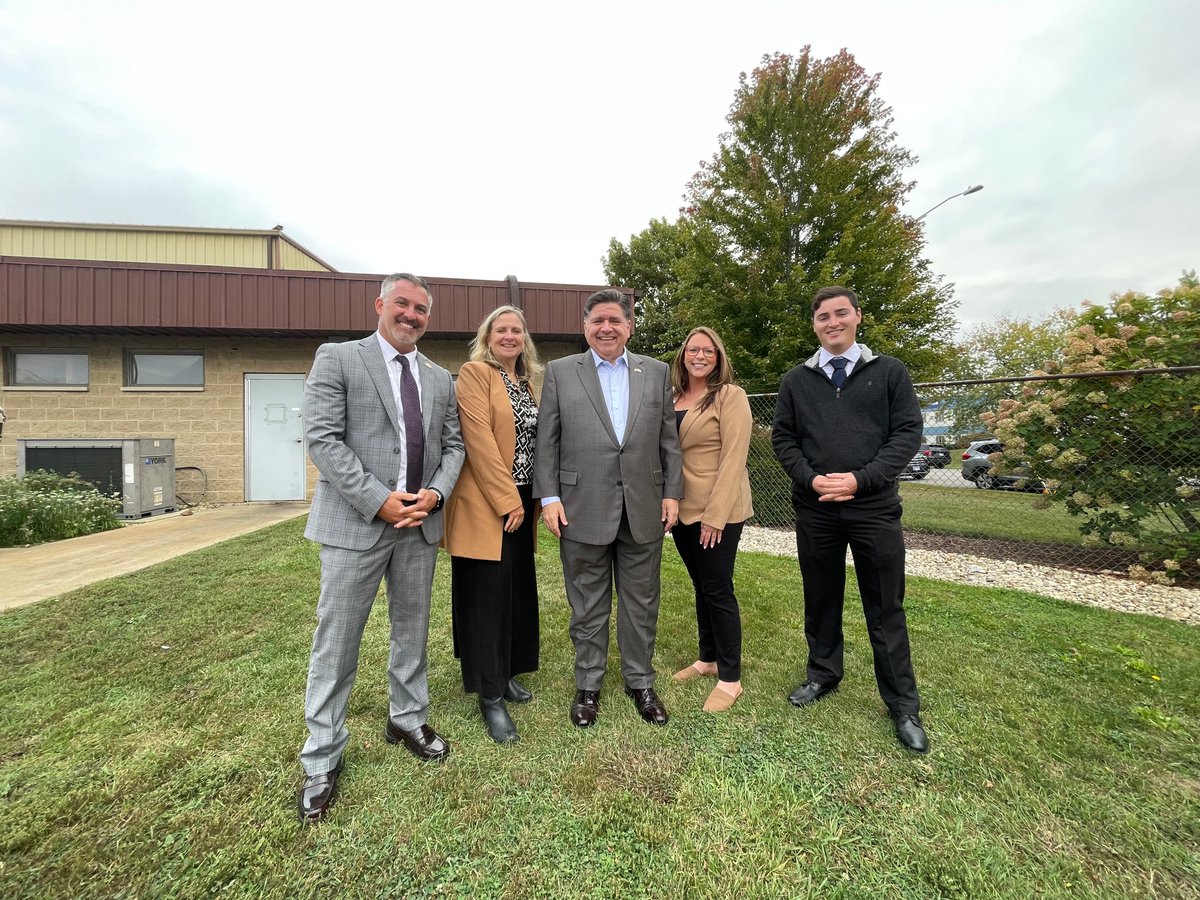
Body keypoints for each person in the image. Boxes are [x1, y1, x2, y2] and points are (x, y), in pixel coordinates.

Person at [297, 272, 465, 823]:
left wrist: (435, 494)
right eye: (402, 303)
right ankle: (322, 756)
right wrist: (378, 499)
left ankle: (407, 717)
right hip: (355, 525)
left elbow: (453, 445)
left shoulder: (440, 378)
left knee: (411, 629)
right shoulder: (339, 359)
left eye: (421, 308)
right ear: (380, 304)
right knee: (338, 639)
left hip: (419, 525)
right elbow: (322, 438)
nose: (411, 314)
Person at [771, 285, 929, 754]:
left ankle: (902, 704)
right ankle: (823, 674)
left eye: (841, 313)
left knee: (885, 607)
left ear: (859, 316)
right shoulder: (796, 380)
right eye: (823, 316)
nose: (832, 322)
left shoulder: (889, 373)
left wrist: (862, 480)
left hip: (873, 509)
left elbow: (906, 433)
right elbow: (784, 439)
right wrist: (811, 479)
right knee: (820, 599)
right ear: (814, 324)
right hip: (816, 510)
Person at [534, 289, 683, 728]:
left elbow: (668, 440)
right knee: (588, 605)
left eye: (615, 320)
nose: (606, 328)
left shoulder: (655, 372)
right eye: (598, 320)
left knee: (641, 604)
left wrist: (671, 493)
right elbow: (548, 440)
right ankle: (589, 685)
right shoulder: (561, 372)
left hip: (644, 508)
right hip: (580, 507)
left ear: (629, 326)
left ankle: (640, 682)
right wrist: (549, 497)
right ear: (585, 327)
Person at [442, 305, 542, 743]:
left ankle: (504, 676)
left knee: (514, 593)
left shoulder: (527, 382)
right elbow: (478, 439)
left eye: (516, 330)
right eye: (500, 329)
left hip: (522, 498)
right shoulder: (474, 374)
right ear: (487, 336)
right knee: (485, 599)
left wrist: (532, 500)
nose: (509, 336)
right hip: (488, 501)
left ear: (524, 338)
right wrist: (507, 500)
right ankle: (489, 697)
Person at [668, 327, 754, 713]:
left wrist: (716, 516)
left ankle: (730, 679)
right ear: (683, 355)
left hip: (717, 510)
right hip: (682, 509)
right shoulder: (673, 397)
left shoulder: (729, 396)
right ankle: (708, 659)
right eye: (693, 349)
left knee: (718, 589)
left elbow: (734, 459)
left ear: (718, 358)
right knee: (700, 585)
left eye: (708, 351)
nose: (699, 356)